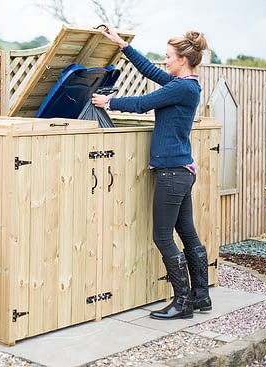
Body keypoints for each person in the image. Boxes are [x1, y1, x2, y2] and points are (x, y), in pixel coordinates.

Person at [92, 24, 211, 320]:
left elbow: (144, 103)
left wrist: (109, 102)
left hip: (173, 173)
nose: (165, 60)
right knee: (187, 233)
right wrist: (122, 44)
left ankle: (182, 303)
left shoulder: (182, 87)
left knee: (162, 236)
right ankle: (200, 296)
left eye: (168, 56)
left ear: (182, 60)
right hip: (180, 170)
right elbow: (150, 72)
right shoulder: (185, 84)